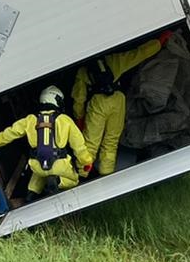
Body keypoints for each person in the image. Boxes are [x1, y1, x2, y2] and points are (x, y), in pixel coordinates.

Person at [71, 29, 173, 176]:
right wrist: (160, 42)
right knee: (111, 143)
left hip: (98, 102)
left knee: (91, 145)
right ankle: (106, 175)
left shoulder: (82, 71)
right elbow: (138, 54)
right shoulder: (113, 60)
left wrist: (79, 117)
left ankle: (82, 175)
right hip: (118, 100)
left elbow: (79, 98)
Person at [0, 85, 93, 196]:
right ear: (57, 100)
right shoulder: (64, 120)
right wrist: (86, 161)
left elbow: (11, 133)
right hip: (60, 165)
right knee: (74, 180)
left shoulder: (30, 119)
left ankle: (31, 192)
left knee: (39, 174)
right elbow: (78, 145)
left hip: (37, 165)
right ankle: (57, 182)